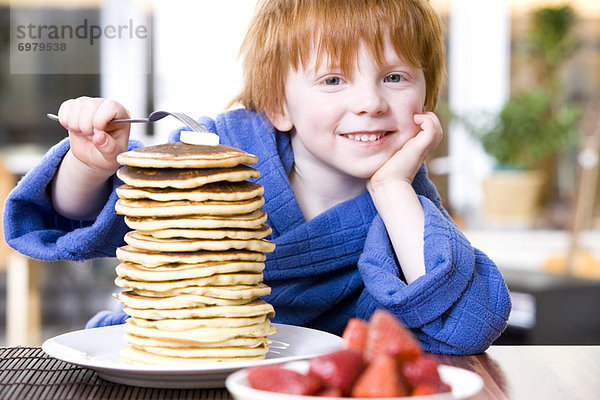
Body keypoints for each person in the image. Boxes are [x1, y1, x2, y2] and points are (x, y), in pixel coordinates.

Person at [3, 0, 510, 354]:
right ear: (277, 105)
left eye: (395, 77)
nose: (371, 104)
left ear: (427, 93)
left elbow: (469, 324)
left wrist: (393, 188)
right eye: (333, 79)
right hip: (175, 359)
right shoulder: (219, 156)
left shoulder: (405, 203)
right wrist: (91, 165)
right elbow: (79, 215)